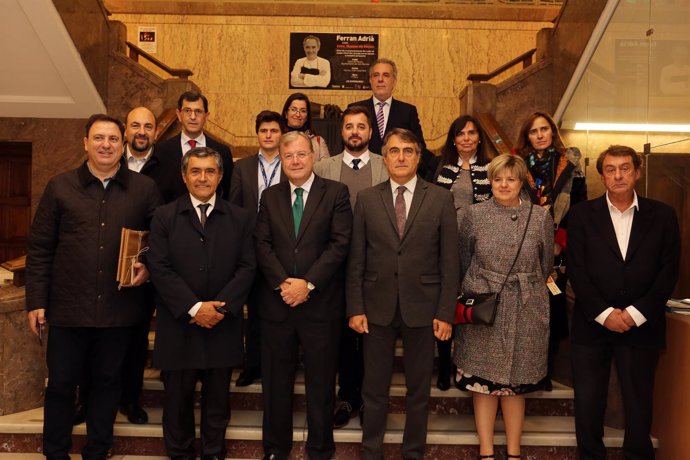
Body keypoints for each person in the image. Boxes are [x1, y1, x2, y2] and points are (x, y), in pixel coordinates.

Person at [26, 114, 162, 459]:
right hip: (68, 309)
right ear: (85, 142)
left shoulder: (144, 190)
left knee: (107, 384)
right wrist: (35, 301)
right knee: (60, 385)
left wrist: (145, 265)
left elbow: (159, 241)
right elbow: (41, 248)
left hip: (119, 308)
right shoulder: (60, 186)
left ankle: (98, 449)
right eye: (99, 138)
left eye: (113, 139)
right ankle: (55, 451)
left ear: (123, 144)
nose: (106, 145)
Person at [347, 128, 458, 460]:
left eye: (408, 151)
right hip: (375, 307)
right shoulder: (367, 198)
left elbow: (450, 261)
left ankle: (413, 452)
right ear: (385, 156)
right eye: (394, 151)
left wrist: (445, 313)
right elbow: (356, 258)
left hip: (424, 309)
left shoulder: (440, 198)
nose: (401, 158)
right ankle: (371, 451)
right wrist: (355, 307)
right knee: (374, 389)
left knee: (418, 392)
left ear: (418, 156)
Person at [568, 145, 680, 460]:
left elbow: (669, 271)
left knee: (638, 400)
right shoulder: (580, 216)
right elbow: (576, 270)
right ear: (602, 175)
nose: (618, 175)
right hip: (592, 324)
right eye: (611, 169)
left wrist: (634, 314)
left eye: (625, 168)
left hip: (642, 325)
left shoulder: (663, 215)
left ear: (637, 172)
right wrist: (605, 314)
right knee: (589, 401)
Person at [147, 147, 256, 459]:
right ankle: (179, 453)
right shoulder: (165, 216)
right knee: (177, 399)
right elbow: (159, 267)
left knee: (218, 399)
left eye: (210, 171)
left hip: (223, 324)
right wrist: (195, 308)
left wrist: (218, 309)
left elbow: (248, 267)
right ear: (184, 177)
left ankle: (213, 451)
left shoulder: (240, 217)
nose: (203, 177)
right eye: (196, 171)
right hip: (179, 323)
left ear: (220, 177)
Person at [255, 131, 352, 460]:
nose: (295, 161)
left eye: (301, 155)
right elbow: (262, 245)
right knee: (275, 384)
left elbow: (339, 245)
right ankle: (275, 449)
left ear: (313, 157)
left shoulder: (336, 193)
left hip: (320, 306)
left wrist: (307, 284)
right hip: (277, 305)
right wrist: (284, 283)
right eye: (288, 156)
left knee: (322, 385)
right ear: (281, 160)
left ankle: (321, 449)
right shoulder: (269, 197)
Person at [454, 153, 553, 460]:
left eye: (510, 178)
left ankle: (513, 452)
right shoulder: (473, 214)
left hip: (526, 308)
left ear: (521, 180)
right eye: (497, 179)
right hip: (485, 308)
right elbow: (462, 259)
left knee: (516, 384)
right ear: (490, 181)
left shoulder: (539, 217)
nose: (504, 185)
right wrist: (480, 288)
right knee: (482, 384)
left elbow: (545, 262)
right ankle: (485, 451)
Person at [313, 105, 389, 428]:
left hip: (377, 269)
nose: (355, 132)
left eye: (361, 127)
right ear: (341, 132)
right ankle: (345, 397)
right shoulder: (323, 168)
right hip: (335, 269)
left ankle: (370, 400)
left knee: (373, 338)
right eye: (349, 127)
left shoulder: (386, 166)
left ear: (371, 133)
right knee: (342, 337)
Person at [516, 111, 587, 390]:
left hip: (557, 253)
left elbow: (580, 207)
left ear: (553, 132)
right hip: (522, 248)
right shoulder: (518, 166)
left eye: (544, 129)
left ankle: (545, 372)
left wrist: (560, 240)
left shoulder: (570, 165)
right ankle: (524, 370)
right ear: (527, 137)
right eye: (534, 131)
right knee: (524, 311)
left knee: (553, 310)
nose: (540, 135)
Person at [432, 114, 492, 391]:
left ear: (479, 137)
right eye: (460, 133)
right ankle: (445, 366)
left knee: (470, 309)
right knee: (445, 306)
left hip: (478, 250)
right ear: (453, 139)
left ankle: (466, 366)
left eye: (471, 132)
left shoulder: (491, 169)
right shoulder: (440, 168)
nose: (466, 137)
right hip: (444, 248)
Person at [229, 110, 287, 388]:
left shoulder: (291, 165)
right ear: (258, 134)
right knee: (253, 312)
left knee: (277, 311)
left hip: (283, 249)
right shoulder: (242, 167)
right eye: (264, 131)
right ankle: (251, 366)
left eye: (274, 131)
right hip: (250, 248)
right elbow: (234, 208)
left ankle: (277, 365)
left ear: (281, 135)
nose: (268, 135)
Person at [349, 58, 438, 181]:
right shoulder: (355, 109)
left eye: (386, 75)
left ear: (394, 82)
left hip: (397, 178)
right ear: (370, 81)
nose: (380, 79)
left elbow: (419, 147)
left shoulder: (408, 111)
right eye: (376, 75)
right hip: (363, 177)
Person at [156, 90, 234, 199]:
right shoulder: (160, 151)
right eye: (187, 111)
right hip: (172, 214)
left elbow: (227, 193)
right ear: (179, 115)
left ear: (206, 116)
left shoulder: (222, 151)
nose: (193, 117)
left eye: (198, 111)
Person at [280, 92, 330, 161]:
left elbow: (326, 170)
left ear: (307, 117)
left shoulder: (318, 142)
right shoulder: (277, 140)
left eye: (303, 111)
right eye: (293, 109)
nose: (298, 114)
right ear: (286, 113)